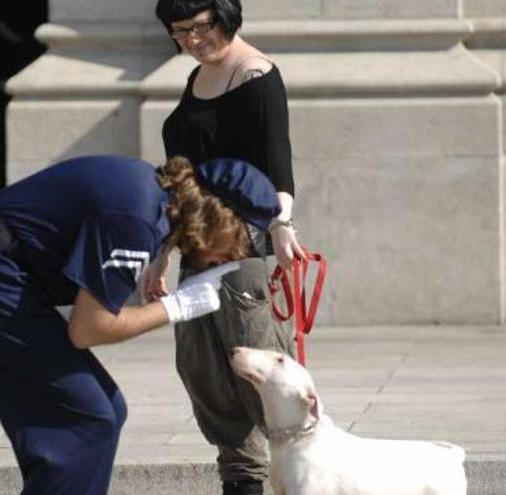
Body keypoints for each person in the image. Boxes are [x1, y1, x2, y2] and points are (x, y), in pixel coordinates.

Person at [0, 154, 281, 495]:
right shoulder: (136, 219)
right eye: (243, 238)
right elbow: (88, 329)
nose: (239, 253)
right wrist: (179, 306)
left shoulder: (148, 196)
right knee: (88, 419)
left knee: (106, 410)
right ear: (219, 216)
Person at [150, 1, 303, 494]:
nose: (192, 40)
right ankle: (242, 483)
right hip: (197, 248)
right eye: (180, 33)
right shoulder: (199, 78)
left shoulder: (256, 75)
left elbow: (278, 161)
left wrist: (282, 226)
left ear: (225, 16)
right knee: (205, 375)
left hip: (243, 250)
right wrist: (162, 250)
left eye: (200, 28)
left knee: (259, 373)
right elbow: (182, 177)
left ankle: (298, 477)